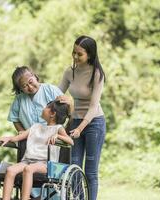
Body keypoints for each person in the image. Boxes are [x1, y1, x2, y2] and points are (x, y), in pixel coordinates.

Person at [57, 35, 106, 200]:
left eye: (80, 54)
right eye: (74, 52)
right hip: (75, 122)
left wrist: (79, 128)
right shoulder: (69, 72)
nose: (75, 57)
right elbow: (57, 94)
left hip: (94, 124)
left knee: (90, 172)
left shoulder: (97, 74)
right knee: (74, 168)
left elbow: (93, 107)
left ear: (90, 55)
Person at [0, 101, 74, 200]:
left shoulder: (58, 128)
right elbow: (19, 137)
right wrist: (8, 138)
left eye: (46, 107)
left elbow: (71, 142)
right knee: (10, 170)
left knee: (28, 169)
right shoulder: (35, 127)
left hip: (45, 164)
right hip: (27, 161)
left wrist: (58, 136)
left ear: (52, 113)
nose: (43, 108)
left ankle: (25, 198)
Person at [7, 66, 64, 199]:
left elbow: (63, 111)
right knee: (22, 169)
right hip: (31, 143)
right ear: (20, 89)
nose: (30, 87)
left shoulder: (50, 90)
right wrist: (22, 133)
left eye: (31, 82)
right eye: (24, 86)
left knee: (33, 170)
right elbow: (14, 118)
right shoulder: (19, 100)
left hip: (50, 143)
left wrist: (58, 133)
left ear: (35, 76)